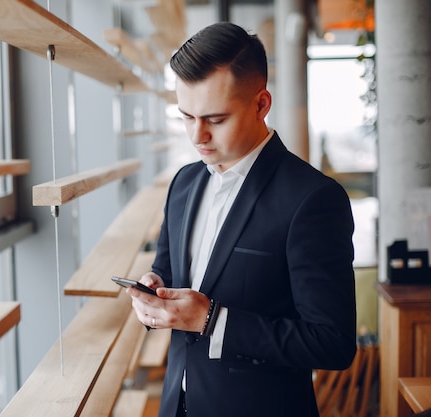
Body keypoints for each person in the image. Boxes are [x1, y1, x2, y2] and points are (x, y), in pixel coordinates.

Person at [125, 22, 357, 417]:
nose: (197, 136)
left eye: (215, 119)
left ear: (261, 104)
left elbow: (332, 343)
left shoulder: (314, 199)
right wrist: (155, 290)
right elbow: (167, 268)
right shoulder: (183, 182)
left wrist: (213, 320)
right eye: (185, 116)